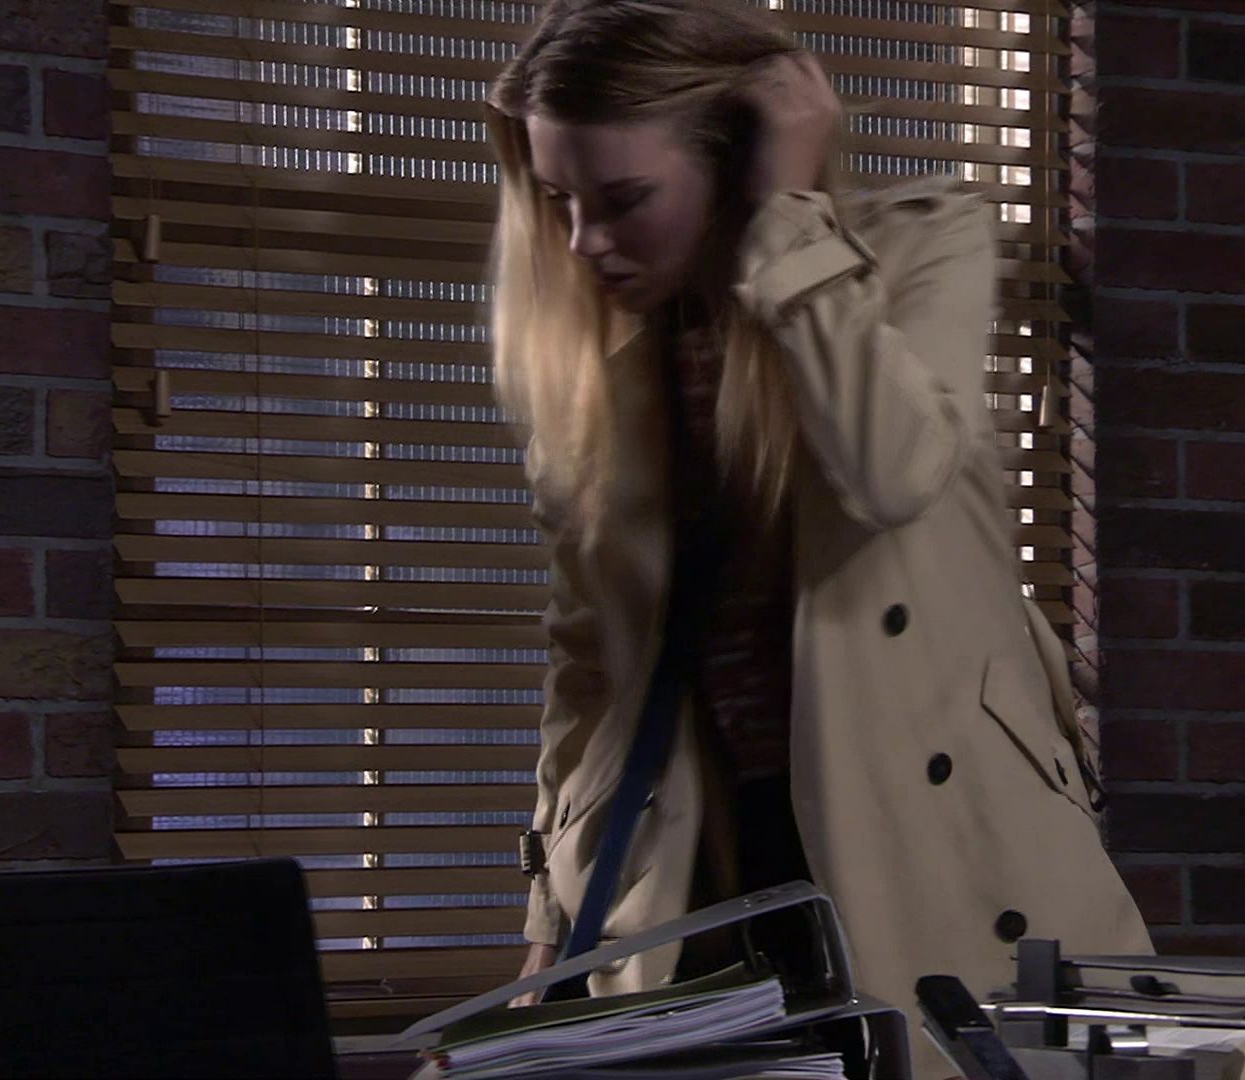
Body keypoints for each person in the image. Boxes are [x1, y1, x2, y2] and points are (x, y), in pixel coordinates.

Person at [483, 2, 1152, 1075]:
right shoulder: (600, 394)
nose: (585, 243)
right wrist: (552, 921)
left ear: (730, 161)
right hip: (713, 883)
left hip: (939, 854)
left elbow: (893, 473)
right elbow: (588, 679)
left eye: (624, 199)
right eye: (560, 202)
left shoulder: (921, 246)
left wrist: (787, 220)